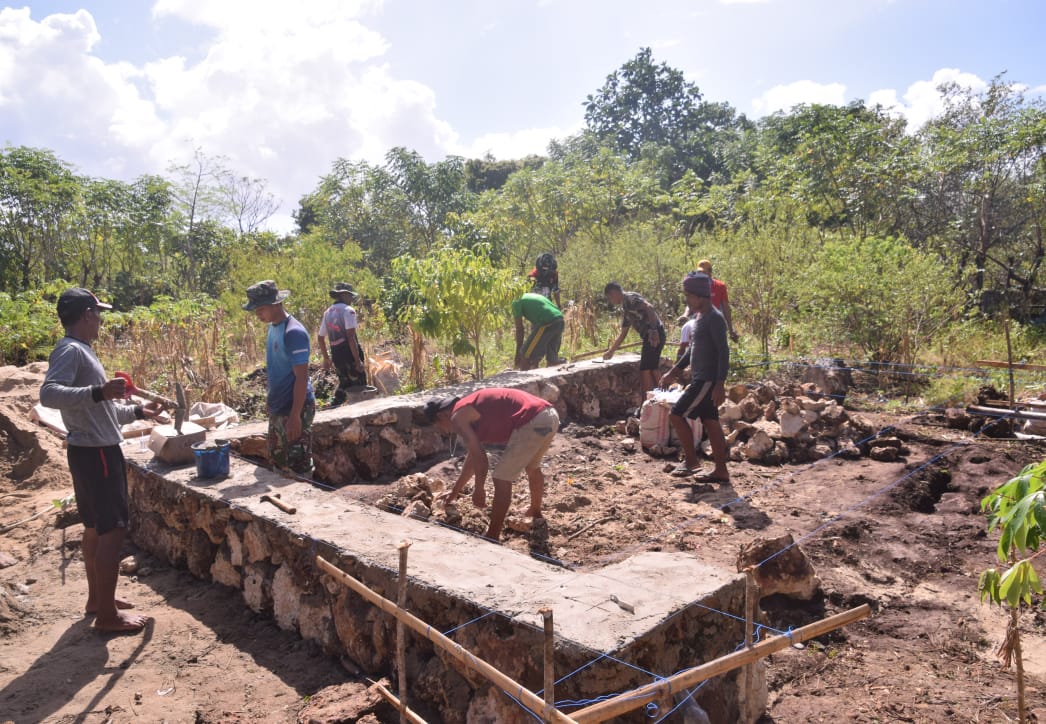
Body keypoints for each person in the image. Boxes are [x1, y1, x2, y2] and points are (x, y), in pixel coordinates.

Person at [40, 288, 162, 632]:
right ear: (86, 315)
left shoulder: (82, 352)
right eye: (98, 314)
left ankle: (98, 600)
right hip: (97, 454)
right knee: (113, 530)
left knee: (95, 528)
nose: (101, 320)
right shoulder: (70, 351)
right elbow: (49, 393)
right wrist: (99, 391)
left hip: (89, 449)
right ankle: (108, 618)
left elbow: (101, 408)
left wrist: (138, 410)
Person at [426, 388, 559, 541]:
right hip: (549, 415)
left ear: (441, 416)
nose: (443, 430)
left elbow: (481, 460)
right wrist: (455, 491)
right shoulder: (470, 409)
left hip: (532, 420)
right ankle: (535, 511)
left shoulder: (458, 418)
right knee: (532, 467)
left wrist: (479, 489)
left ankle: (492, 536)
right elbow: (473, 458)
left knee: (501, 478)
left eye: (438, 425)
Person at [659, 272, 731, 483]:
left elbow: (723, 352)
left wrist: (720, 384)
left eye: (689, 296)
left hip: (706, 380)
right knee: (710, 422)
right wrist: (674, 371)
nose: (687, 301)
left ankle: (691, 462)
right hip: (702, 378)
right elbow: (692, 350)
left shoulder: (715, 318)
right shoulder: (700, 317)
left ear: (699, 297)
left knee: (676, 414)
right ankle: (720, 470)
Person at [242, 280, 315, 474]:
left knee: (297, 464)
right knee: (278, 460)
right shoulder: (273, 328)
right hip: (278, 406)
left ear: (275, 304)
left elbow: (301, 377)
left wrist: (295, 416)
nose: (257, 314)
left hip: (294, 407)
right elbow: (276, 369)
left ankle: (304, 502)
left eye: (260, 309)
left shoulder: (294, 333)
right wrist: (270, 399)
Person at [602, 282, 666, 392]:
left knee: (645, 369)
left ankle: (645, 401)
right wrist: (611, 351)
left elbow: (649, 307)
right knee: (652, 367)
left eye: (609, 298)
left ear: (613, 293)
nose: (611, 301)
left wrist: (654, 330)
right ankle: (664, 396)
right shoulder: (626, 308)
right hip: (651, 335)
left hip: (653, 334)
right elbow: (623, 333)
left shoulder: (630, 298)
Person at [318, 282, 367, 406]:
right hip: (349, 355)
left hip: (337, 356)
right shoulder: (348, 311)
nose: (351, 299)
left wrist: (326, 358)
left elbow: (320, 338)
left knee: (344, 384)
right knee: (360, 387)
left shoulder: (327, 312)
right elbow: (350, 338)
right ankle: (362, 415)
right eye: (350, 296)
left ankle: (333, 407)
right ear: (344, 295)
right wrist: (357, 361)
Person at [677, 259, 740, 343]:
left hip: (714, 321)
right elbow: (691, 303)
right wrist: (685, 315)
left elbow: (726, 308)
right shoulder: (696, 285)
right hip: (697, 319)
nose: (701, 275)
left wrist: (730, 330)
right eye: (699, 272)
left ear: (710, 272)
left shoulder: (720, 286)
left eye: (704, 272)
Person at [512, 292, 565, 370]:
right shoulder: (529, 296)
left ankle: (525, 379)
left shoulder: (516, 301)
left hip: (547, 322)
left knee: (525, 354)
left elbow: (519, 329)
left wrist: (518, 353)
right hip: (560, 321)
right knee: (552, 360)